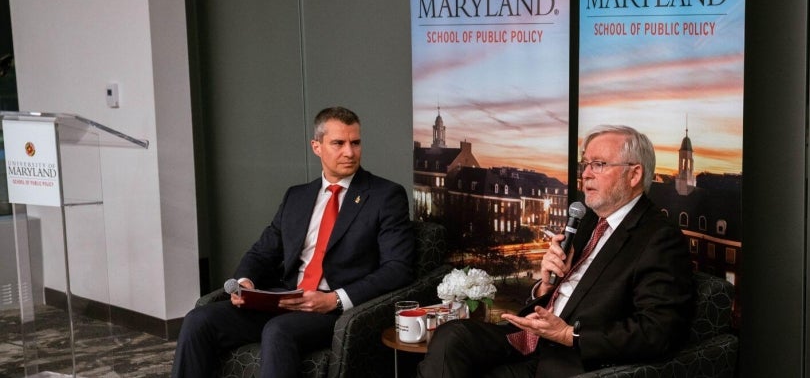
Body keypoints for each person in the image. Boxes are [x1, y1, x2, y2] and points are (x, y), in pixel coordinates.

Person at [417, 125, 694, 377]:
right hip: (530, 336)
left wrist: (570, 335)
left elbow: (659, 330)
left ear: (634, 174)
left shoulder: (660, 238)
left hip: (571, 357)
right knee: (450, 337)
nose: (585, 174)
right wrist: (544, 285)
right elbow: (570, 291)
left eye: (598, 164)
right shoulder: (587, 221)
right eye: (585, 164)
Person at [172, 106, 415, 378]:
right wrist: (245, 282)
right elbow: (262, 251)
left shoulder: (385, 196)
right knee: (198, 320)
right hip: (284, 299)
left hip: (333, 313)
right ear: (317, 146)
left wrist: (333, 299)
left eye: (355, 142)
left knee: (278, 330)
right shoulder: (297, 197)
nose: (350, 152)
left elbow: (398, 268)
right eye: (338, 143)